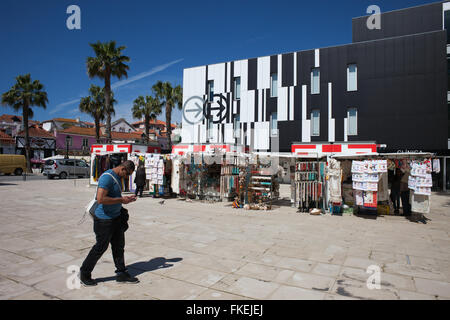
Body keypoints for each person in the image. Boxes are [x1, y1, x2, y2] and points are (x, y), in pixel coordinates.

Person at [79, 160, 139, 286]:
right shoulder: (107, 178)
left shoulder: (117, 177)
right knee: (100, 247)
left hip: (116, 217)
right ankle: (84, 273)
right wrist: (121, 199)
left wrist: (125, 200)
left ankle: (121, 273)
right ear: (122, 168)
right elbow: (101, 199)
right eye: (127, 174)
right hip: (104, 220)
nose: (127, 177)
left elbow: (115, 197)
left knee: (119, 246)